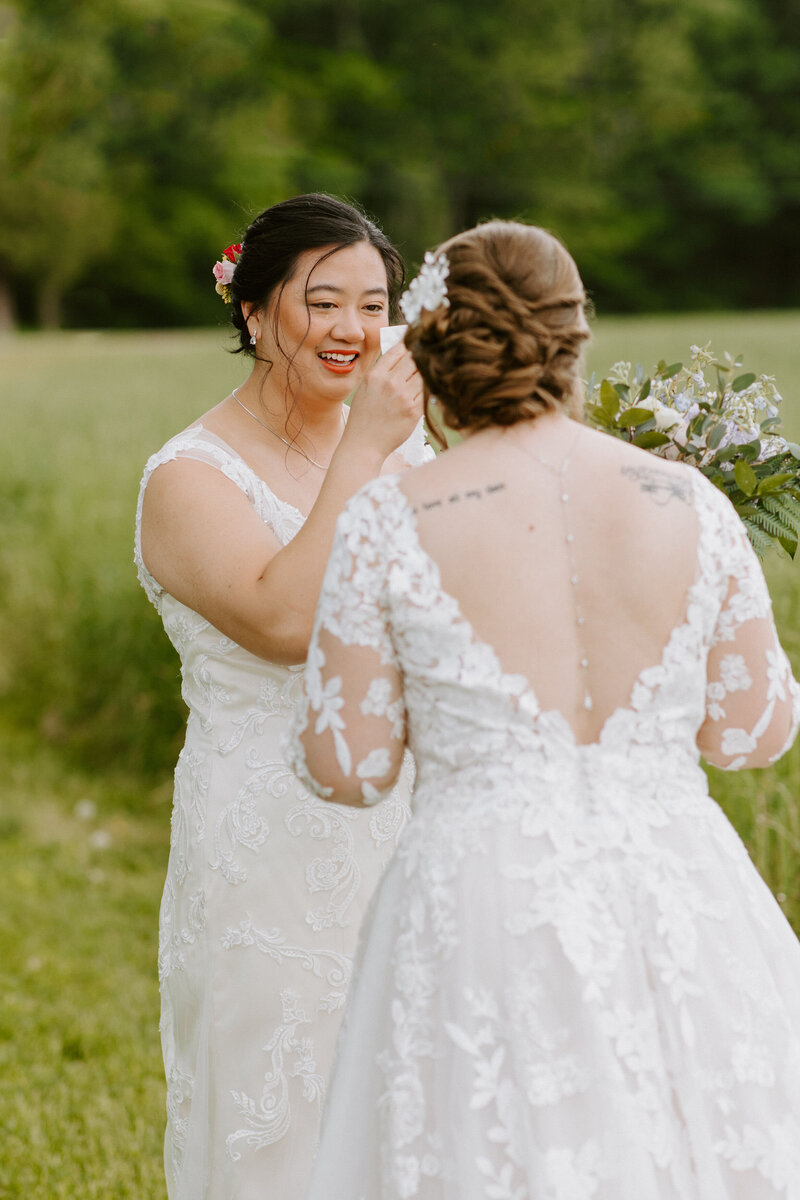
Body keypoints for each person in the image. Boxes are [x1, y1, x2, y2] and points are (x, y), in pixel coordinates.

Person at [289, 220, 800, 1199]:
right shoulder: (690, 501)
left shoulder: (390, 520)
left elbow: (347, 767)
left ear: (431, 343)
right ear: (574, 336)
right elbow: (750, 734)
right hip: (675, 892)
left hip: (484, 899)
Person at [133, 193, 427, 1199]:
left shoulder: (412, 453)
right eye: (323, 301)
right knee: (281, 1116)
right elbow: (286, 621)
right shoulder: (187, 478)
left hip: (408, 827)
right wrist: (365, 448)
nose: (352, 330)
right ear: (253, 314)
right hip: (267, 844)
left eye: (372, 305)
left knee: (409, 1110)